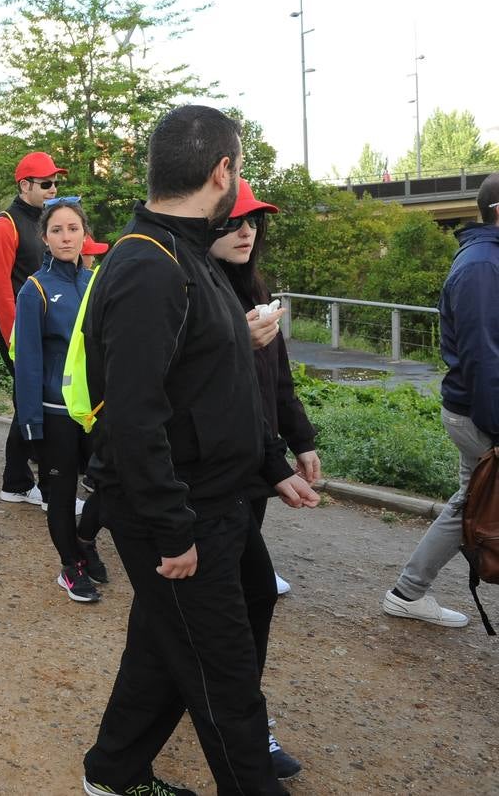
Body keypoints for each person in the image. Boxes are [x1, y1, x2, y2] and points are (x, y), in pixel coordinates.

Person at [79, 106, 318, 796]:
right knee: (224, 674)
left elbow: (218, 379)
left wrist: (272, 463)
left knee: (184, 634)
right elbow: (133, 417)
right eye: (237, 167)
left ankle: (113, 773)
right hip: (177, 509)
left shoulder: (191, 253)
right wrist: (171, 527)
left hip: (217, 497)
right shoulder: (148, 266)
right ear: (223, 171)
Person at [210, 179, 318, 780]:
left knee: (223, 607)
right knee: (242, 601)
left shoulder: (256, 293)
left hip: (252, 479)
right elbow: (218, 400)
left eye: (253, 221)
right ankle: (245, 730)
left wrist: (300, 440)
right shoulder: (198, 295)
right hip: (217, 481)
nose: (246, 229)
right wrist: (274, 466)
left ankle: (222, 718)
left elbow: (276, 382)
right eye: (233, 220)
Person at [383, 171, 499, 629]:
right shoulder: (481, 268)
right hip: (481, 416)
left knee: (467, 503)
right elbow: (483, 359)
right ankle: (406, 592)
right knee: (469, 504)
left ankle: (407, 592)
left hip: (479, 412)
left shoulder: (488, 261)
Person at [13, 197, 104, 604]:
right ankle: (71, 565)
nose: (66, 237)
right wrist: (32, 423)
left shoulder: (96, 282)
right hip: (56, 411)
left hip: (99, 412)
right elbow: (28, 362)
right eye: (56, 230)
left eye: (73, 229)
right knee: (63, 493)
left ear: (85, 233)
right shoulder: (35, 289)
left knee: (112, 486)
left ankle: (86, 541)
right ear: (45, 238)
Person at [0, 150, 66, 507]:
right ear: (25, 185)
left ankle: (21, 477)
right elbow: (2, 292)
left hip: (43, 328)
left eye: (56, 182)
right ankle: (19, 481)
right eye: (46, 183)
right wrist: (19, 343)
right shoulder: (4, 226)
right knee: (31, 400)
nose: (53, 188)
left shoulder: (46, 221)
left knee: (33, 400)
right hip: (19, 331)